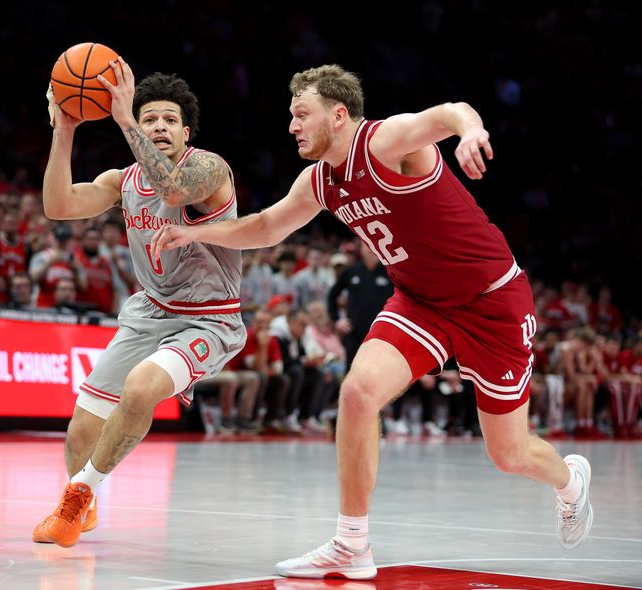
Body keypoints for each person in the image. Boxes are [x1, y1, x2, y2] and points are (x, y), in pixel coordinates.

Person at [151, 64, 593, 579]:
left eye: (301, 114)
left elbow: (449, 113)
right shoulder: (320, 179)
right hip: (421, 302)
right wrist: (199, 233)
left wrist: (470, 130)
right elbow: (269, 226)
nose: (292, 125)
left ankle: (569, 482)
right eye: (291, 115)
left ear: (339, 115)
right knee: (358, 392)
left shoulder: (386, 143)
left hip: (492, 303)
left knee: (509, 454)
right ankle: (351, 543)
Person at [33, 59, 245, 548]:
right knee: (79, 431)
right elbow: (57, 206)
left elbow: (172, 187)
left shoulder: (208, 168)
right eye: (150, 119)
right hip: (150, 311)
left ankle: (74, 498)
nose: (159, 127)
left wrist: (125, 117)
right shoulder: (122, 182)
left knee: (141, 386)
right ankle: (83, 506)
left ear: (186, 130)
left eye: (169, 120)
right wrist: (63, 130)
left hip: (207, 319)